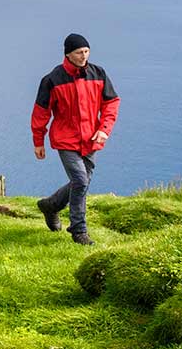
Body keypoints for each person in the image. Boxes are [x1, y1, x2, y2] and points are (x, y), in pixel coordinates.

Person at [32, 34, 120, 245]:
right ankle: (79, 231)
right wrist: (38, 141)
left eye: (87, 51)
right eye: (80, 52)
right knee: (81, 181)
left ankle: (51, 205)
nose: (84, 56)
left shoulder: (98, 73)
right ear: (68, 54)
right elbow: (40, 113)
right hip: (66, 140)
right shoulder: (52, 79)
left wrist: (104, 129)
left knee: (81, 182)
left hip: (92, 139)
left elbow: (112, 103)